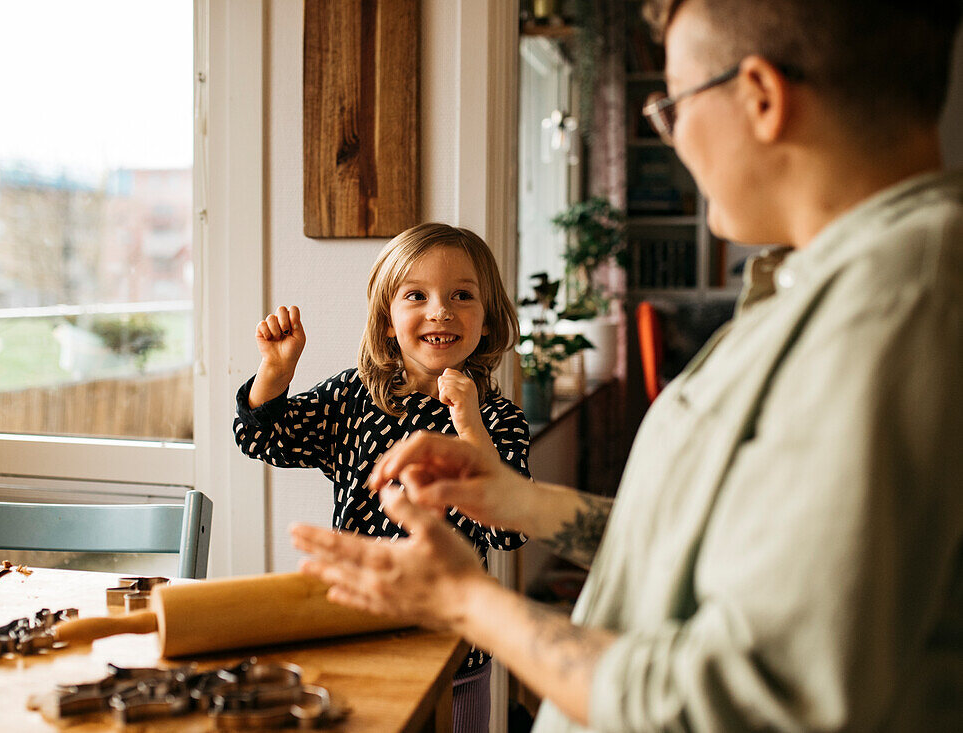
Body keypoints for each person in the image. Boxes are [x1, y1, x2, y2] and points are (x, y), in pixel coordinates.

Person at [290, 0, 963, 730]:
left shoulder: (891, 308)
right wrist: (518, 500)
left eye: (672, 107)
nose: (671, 139)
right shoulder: (829, 287)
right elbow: (719, 538)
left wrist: (466, 602)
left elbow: (746, 699)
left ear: (761, 98)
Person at [234, 222, 531, 732]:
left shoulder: (498, 419)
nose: (440, 310)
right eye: (416, 295)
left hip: (452, 649)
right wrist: (275, 375)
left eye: (462, 295)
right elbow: (264, 438)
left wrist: (470, 425)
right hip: (356, 634)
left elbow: (509, 530)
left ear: (486, 322)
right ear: (388, 322)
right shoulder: (353, 399)